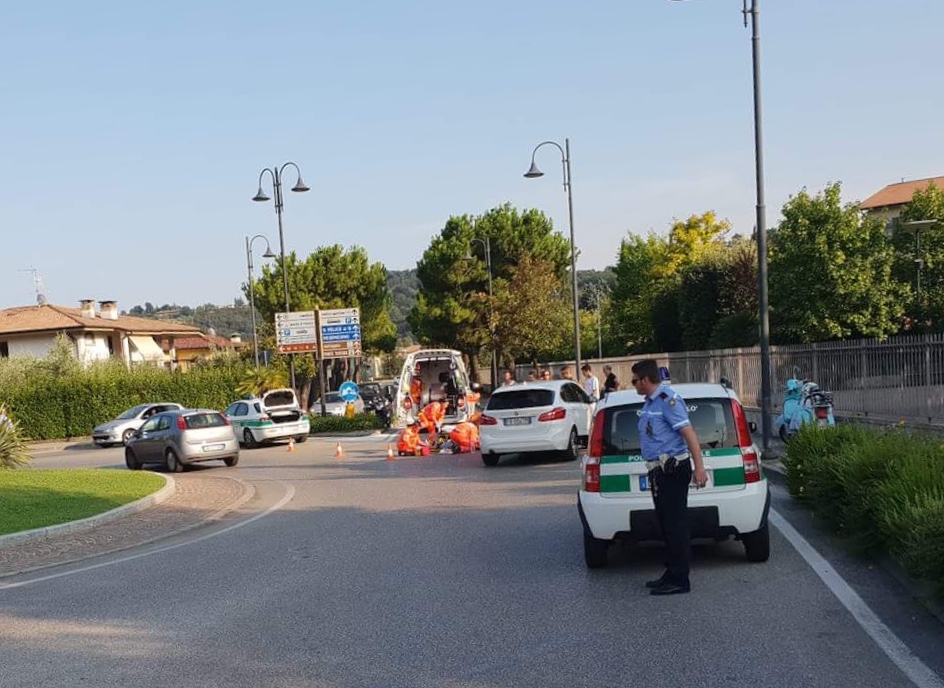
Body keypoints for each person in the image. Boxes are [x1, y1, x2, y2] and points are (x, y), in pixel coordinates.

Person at [630, 359, 708, 596]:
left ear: (645, 380)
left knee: (675, 526)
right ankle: (670, 572)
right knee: (665, 524)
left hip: (673, 470)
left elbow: (689, 433)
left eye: (635, 380)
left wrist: (699, 467)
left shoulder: (667, 400)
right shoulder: (650, 403)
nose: (633, 384)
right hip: (659, 471)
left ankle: (680, 579)